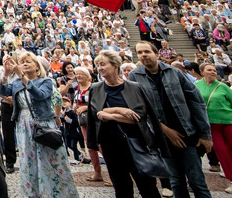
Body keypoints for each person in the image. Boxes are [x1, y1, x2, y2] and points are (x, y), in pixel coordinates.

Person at [129, 41, 213, 198]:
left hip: (186, 131)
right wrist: (165, 130)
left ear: (156, 53)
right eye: (140, 52)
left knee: (197, 180)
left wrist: (205, 134)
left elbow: (196, 102)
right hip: (162, 137)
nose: (143, 55)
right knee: (175, 180)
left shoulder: (174, 72)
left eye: (147, 51)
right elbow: (140, 110)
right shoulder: (134, 76)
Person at [86, 49, 165, 198]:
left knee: (147, 186)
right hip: (110, 144)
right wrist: (121, 111)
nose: (100, 68)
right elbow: (96, 115)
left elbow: (137, 117)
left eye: (103, 64)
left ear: (115, 65)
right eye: (98, 65)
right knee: (121, 187)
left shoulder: (134, 87)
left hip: (136, 142)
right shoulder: (96, 89)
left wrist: (110, 114)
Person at [0, 52, 78, 198]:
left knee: (49, 159)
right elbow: (2, 91)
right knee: (29, 161)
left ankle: (57, 193)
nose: (25, 64)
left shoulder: (46, 81)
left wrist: (22, 76)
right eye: (22, 62)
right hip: (23, 124)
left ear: (37, 66)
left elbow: (40, 95)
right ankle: (34, 193)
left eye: (28, 61)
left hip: (42, 122)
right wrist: (6, 73)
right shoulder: (16, 83)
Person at [196, 63, 232, 195]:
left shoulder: (223, 86)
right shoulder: (196, 86)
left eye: (215, 70)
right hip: (210, 124)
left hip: (230, 121)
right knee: (221, 152)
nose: (213, 72)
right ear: (202, 72)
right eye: (209, 70)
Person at [72, 66, 106, 183]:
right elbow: (75, 101)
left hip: (94, 119)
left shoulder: (94, 88)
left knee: (100, 144)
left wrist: (86, 107)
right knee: (90, 145)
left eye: (81, 74)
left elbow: (99, 103)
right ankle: (97, 172)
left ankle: (113, 172)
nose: (78, 76)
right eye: (77, 74)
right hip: (83, 120)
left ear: (88, 76)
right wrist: (75, 107)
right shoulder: (78, 88)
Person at [0, 54, 20, 173]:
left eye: (10, 61)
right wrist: (6, 97)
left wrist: (14, 98)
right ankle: (10, 162)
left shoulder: (20, 74)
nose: (8, 64)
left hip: (19, 106)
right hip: (6, 106)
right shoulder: (0, 74)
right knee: (8, 134)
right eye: (6, 61)